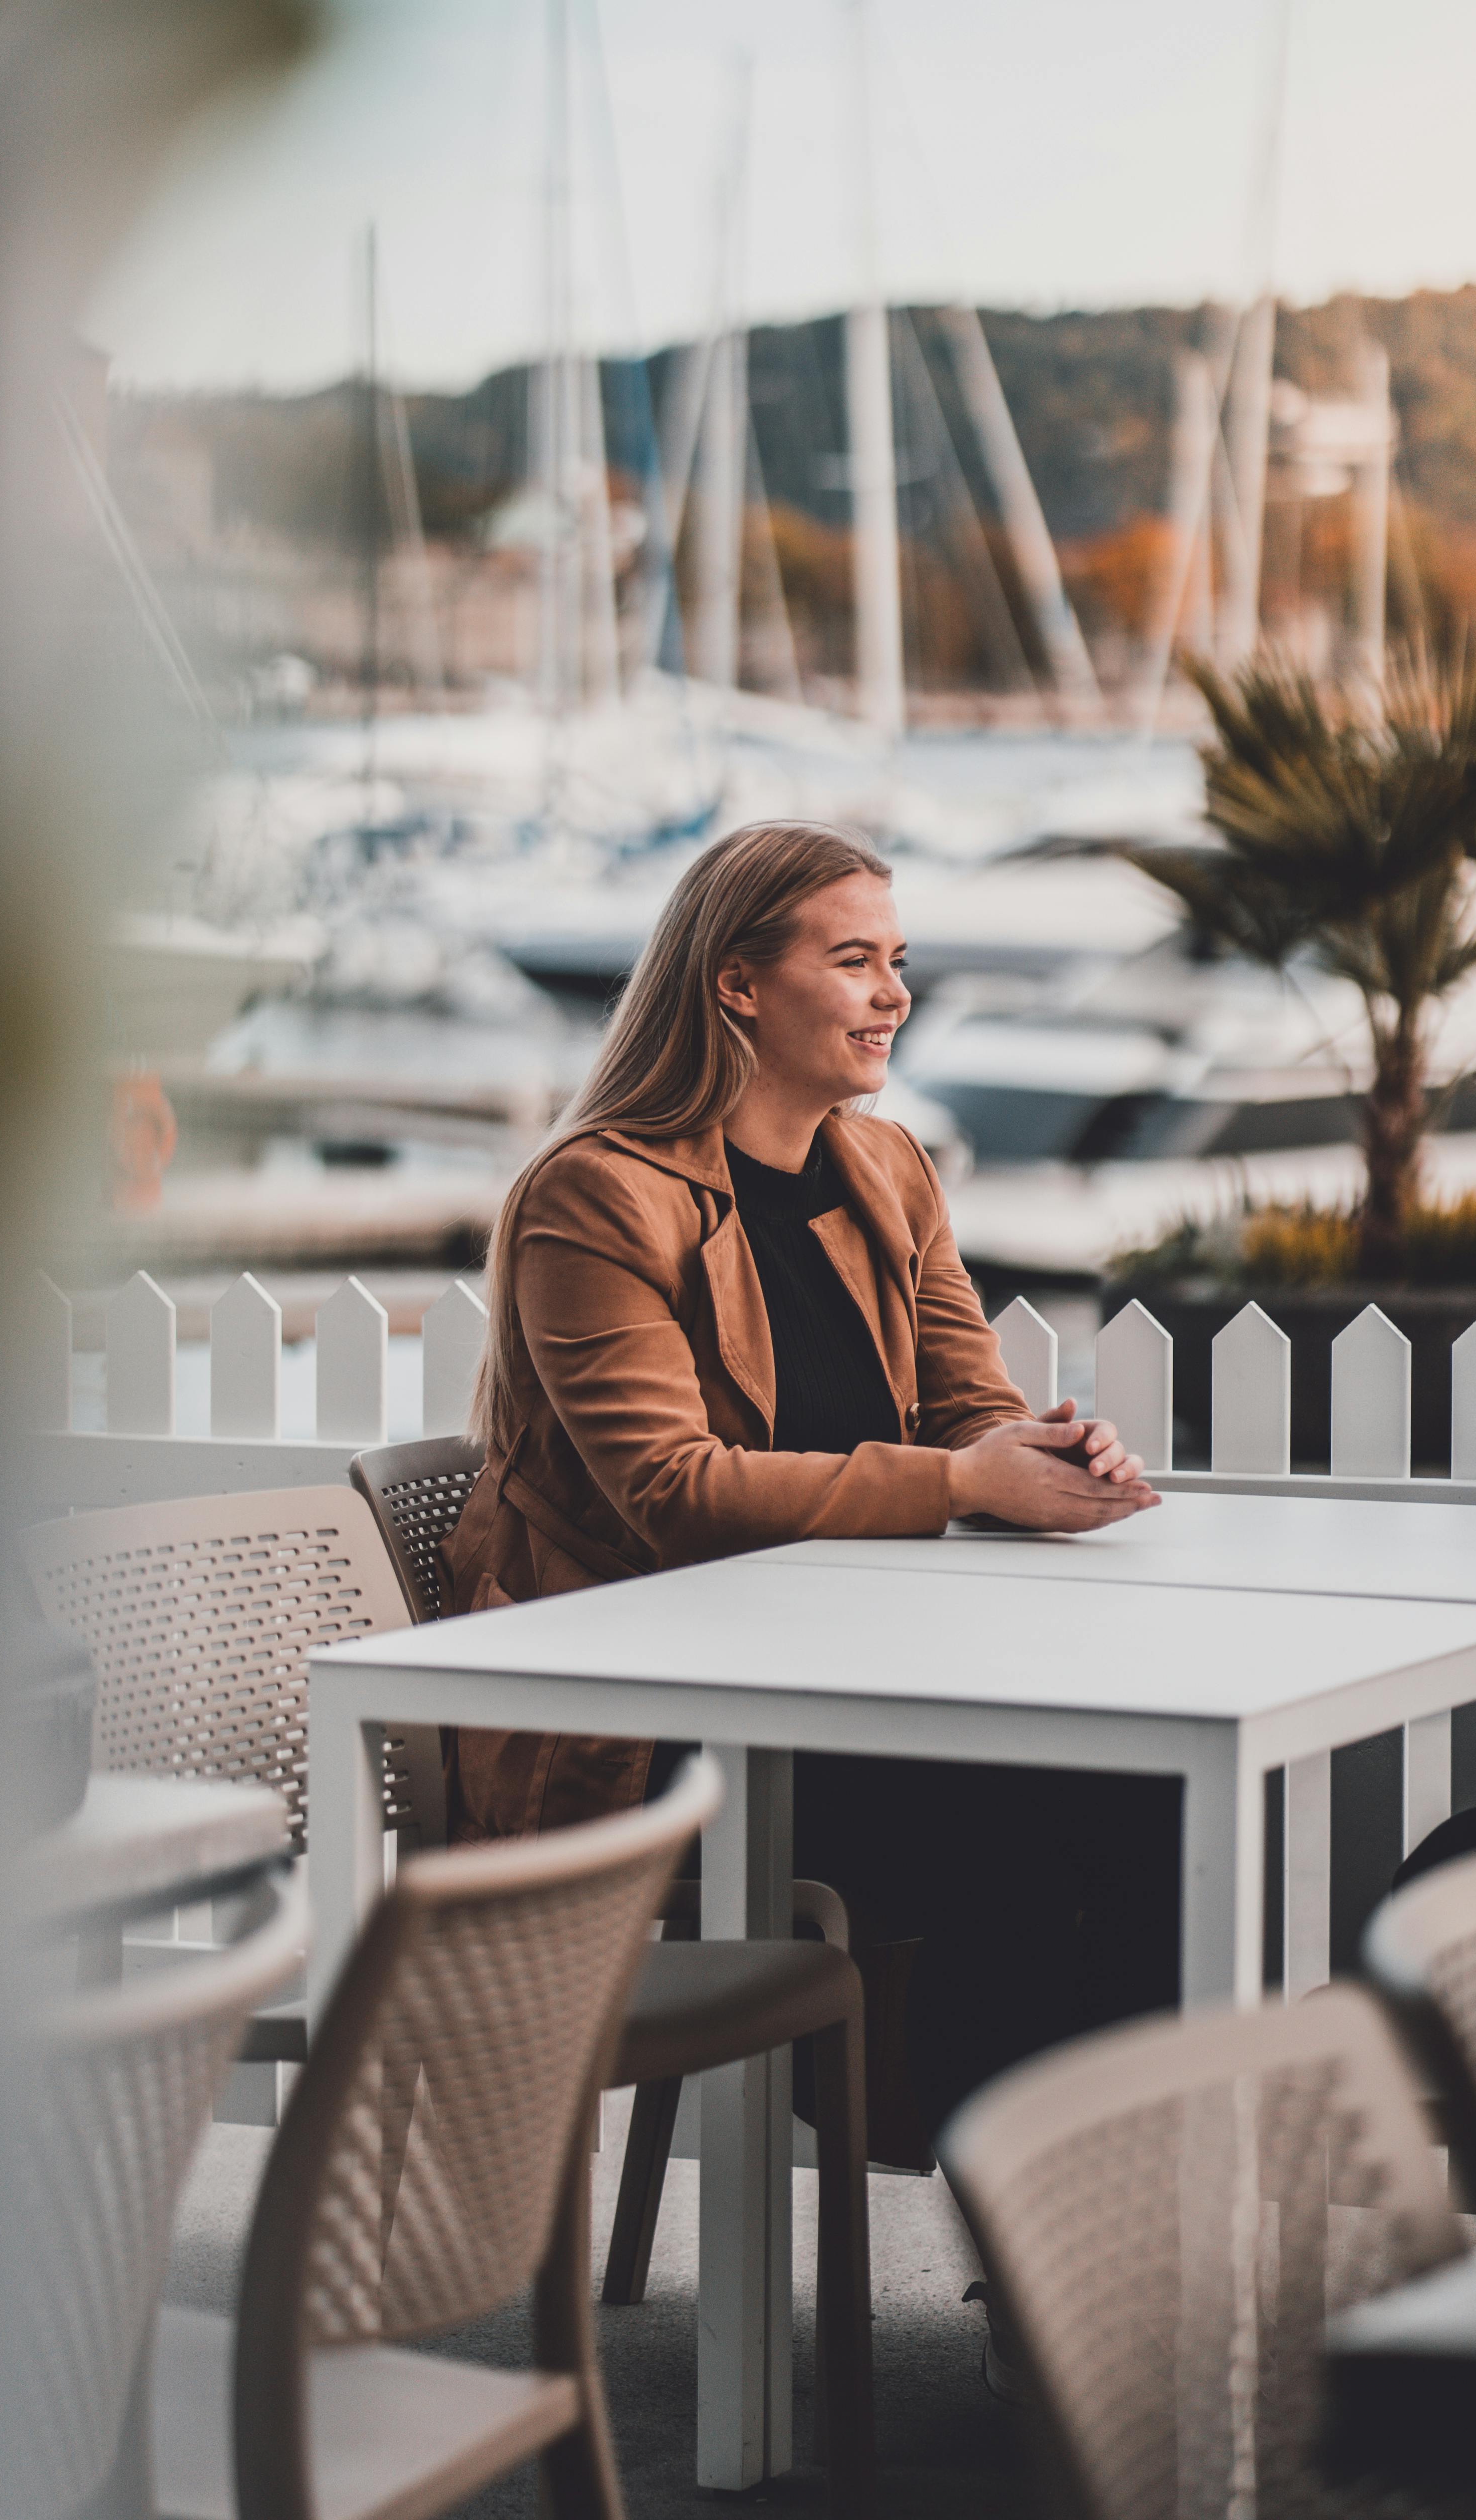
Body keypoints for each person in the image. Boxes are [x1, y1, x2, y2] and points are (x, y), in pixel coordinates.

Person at [440, 819, 1166, 2142]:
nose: (894, 994)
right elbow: (672, 1489)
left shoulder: (885, 1166)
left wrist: (1046, 1456)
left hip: (849, 1679)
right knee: (1022, 1839)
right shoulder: (596, 1197)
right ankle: (1008, 2226)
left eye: (896, 960)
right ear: (736, 981)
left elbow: (965, 1404)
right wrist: (962, 1484)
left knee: (1152, 1810)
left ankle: (1078, 2214)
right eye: (853, 961)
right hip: (645, 1727)